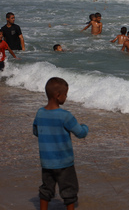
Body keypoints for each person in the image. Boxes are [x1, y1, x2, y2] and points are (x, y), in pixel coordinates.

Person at [33, 77, 89, 210]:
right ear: (58, 96)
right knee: (69, 190)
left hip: (46, 161)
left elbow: (36, 132)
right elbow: (80, 133)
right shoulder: (65, 115)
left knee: (46, 189)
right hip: (65, 162)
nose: (66, 97)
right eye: (65, 94)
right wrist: (85, 127)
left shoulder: (40, 113)